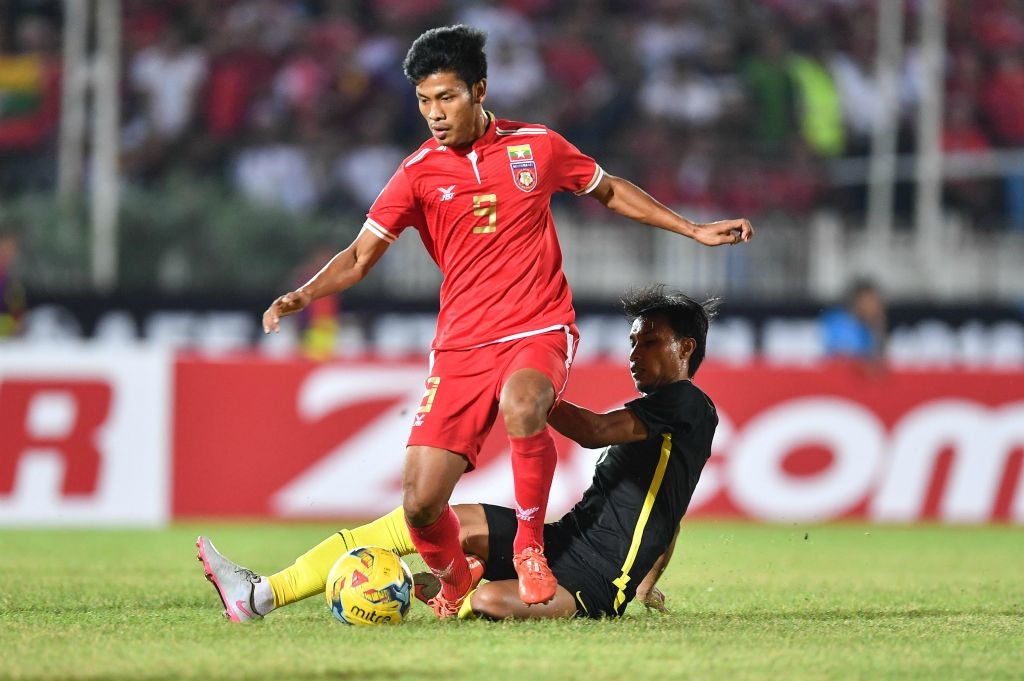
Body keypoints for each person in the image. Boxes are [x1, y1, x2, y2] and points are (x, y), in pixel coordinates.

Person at [258, 25, 752, 617]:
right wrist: (303, 294)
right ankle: (452, 585)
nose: (434, 113)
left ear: (479, 90)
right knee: (420, 503)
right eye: (424, 100)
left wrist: (692, 229)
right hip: (461, 346)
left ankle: (529, 548)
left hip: (538, 325)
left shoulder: (537, 147)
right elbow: (361, 256)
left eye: (446, 97)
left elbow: (610, 192)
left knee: (522, 404)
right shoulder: (416, 173)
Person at [199, 285, 719, 620]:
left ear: (686, 348)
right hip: (561, 540)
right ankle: (262, 593)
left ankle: (455, 590)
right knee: (427, 517)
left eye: (648, 342)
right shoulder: (667, 418)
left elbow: (594, 431)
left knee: (490, 601)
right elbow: (672, 511)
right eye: (632, 343)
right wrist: (651, 582)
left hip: (596, 582)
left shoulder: (688, 403)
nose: (634, 354)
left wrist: (528, 389)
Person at [820, 277, 887, 363]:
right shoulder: (834, 323)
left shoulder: (867, 329)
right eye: (870, 301)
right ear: (858, 301)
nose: (876, 306)